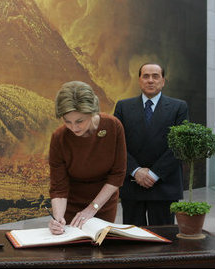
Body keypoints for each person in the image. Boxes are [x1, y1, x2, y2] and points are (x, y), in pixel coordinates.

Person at [114, 63, 189, 226]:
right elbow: (116, 144)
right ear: (139, 80)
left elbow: (179, 145)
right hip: (132, 184)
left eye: (155, 76)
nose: (150, 80)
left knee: (163, 241)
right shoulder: (123, 107)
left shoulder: (178, 107)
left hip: (164, 184)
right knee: (133, 242)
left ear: (163, 81)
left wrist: (154, 174)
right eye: (146, 76)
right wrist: (135, 171)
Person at [48, 81, 127, 235]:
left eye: (79, 121)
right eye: (67, 122)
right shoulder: (59, 138)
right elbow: (59, 187)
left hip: (103, 203)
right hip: (71, 205)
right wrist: (58, 218)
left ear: (92, 112)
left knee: (102, 247)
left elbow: (117, 175)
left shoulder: (113, 126)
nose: (74, 128)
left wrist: (92, 209)